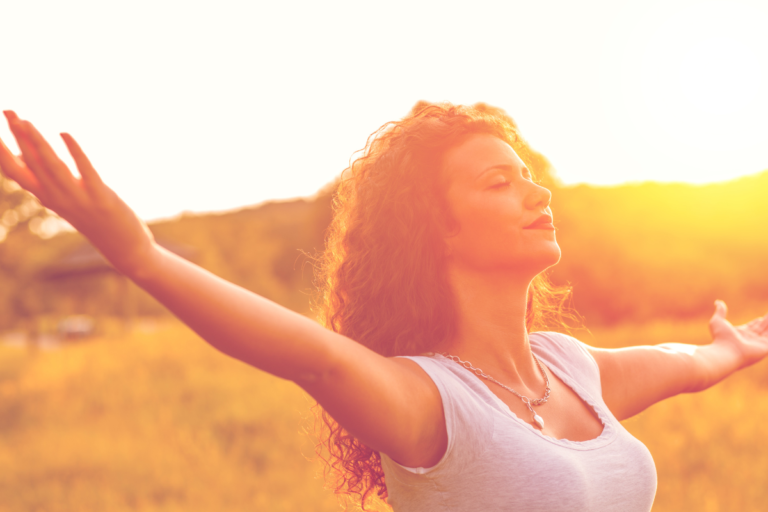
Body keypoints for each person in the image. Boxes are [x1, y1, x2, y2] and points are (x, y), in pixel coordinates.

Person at [1, 103, 767, 512]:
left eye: (529, 174)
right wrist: (141, 258)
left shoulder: (573, 371)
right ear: (436, 232)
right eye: (499, 183)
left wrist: (733, 349)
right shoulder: (427, 401)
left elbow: (682, 362)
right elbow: (311, 354)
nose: (538, 192)